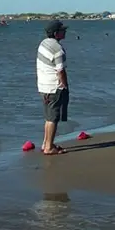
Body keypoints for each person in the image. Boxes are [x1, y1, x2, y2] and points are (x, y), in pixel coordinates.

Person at [37, 20, 70, 155]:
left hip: (43, 86)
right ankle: (49, 147)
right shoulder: (57, 49)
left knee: (48, 117)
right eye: (63, 30)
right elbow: (60, 70)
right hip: (54, 87)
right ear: (56, 33)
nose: (65, 32)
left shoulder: (43, 43)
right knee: (53, 118)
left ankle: (46, 143)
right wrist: (65, 85)